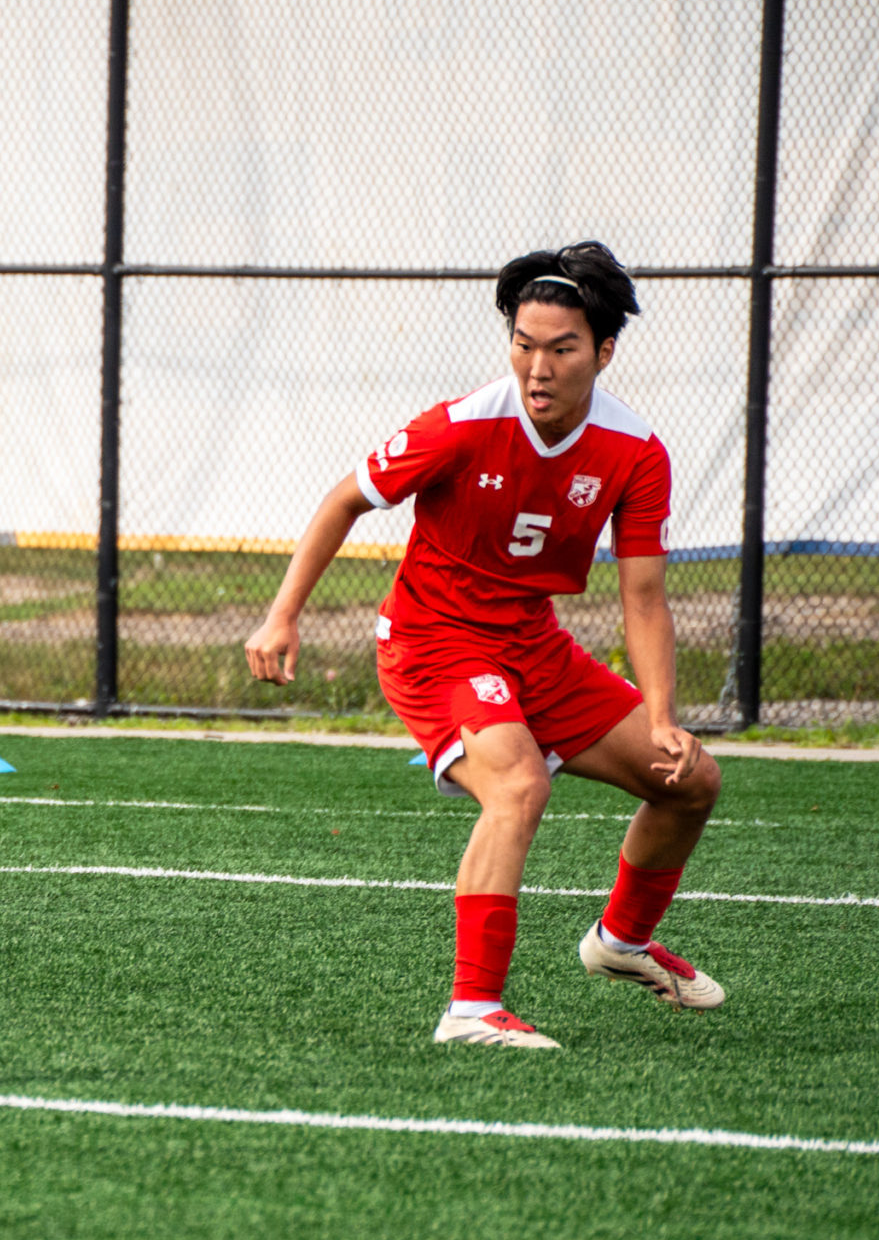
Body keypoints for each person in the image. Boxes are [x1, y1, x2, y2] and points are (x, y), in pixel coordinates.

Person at [243, 243, 724, 1049]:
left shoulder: (635, 452)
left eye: (562, 348)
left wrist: (665, 714)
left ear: (604, 351)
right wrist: (282, 614)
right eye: (523, 343)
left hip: (533, 647)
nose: (538, 366)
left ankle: (620, 943)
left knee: (693, 780)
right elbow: (342, 501)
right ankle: (472, 1009)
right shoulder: (460, 426)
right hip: (434, 643)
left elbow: (643, 594)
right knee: (518, 784)